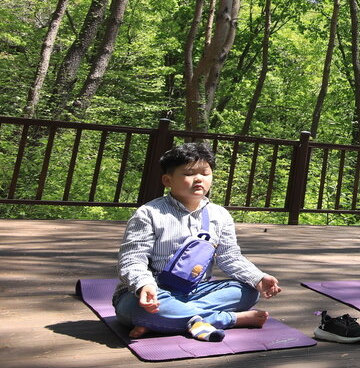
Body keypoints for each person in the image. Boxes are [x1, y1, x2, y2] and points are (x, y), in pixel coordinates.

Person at [114, 142, 282, 342]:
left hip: (195, 290)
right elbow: (132, 259)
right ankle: (229, 319)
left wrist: (258, 277)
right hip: (153, 291)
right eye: (188, 174)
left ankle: (166, 320)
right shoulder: (149, 214)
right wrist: (143, 285)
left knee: (248, 291)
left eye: (205, 173)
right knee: (133, 310)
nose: (199, 179)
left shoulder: (219, 215)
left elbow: (229, 257)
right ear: (167, 180)